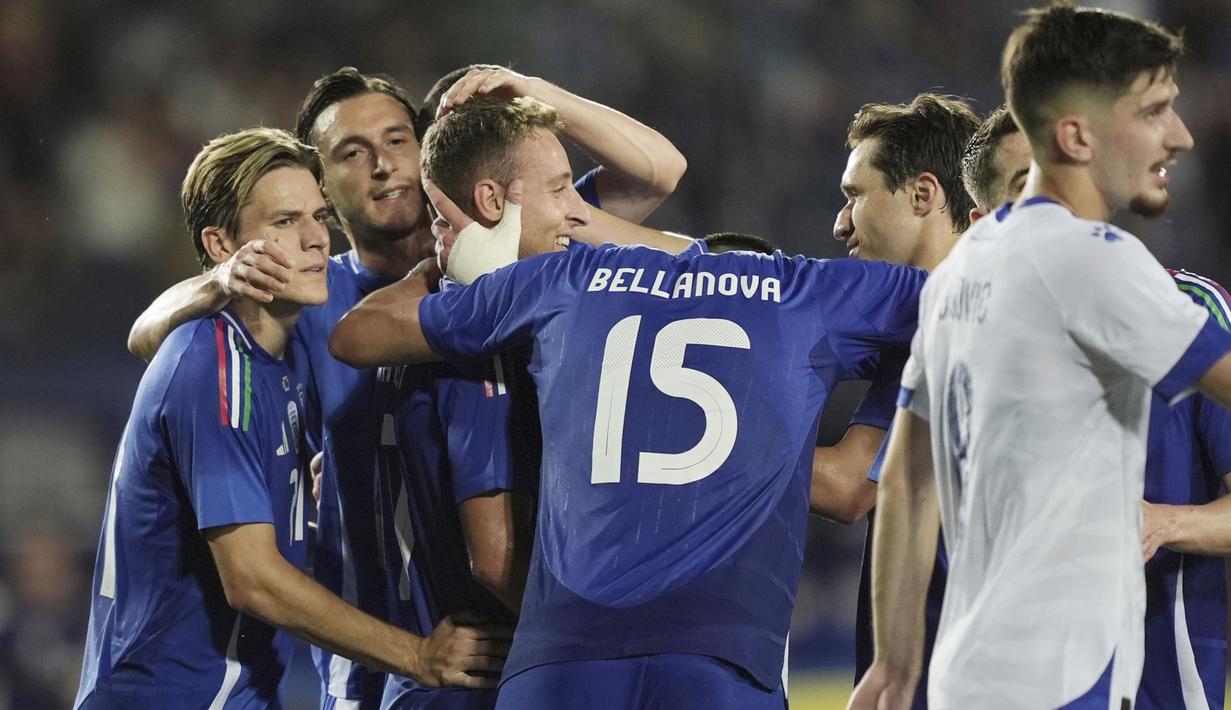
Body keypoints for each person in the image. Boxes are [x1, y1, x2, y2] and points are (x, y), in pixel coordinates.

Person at [327, 93, 928, 710]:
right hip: (717, 650)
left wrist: (464, 275)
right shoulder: (798, 291)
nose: (576, 212)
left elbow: (353, 335)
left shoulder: (560, 283)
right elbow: (950, 292)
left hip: (559, 654)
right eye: (562, 188)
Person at [126, 65, 691, 709]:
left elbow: (657, 172)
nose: (382, 165)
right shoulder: (308, 292)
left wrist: (538, 93)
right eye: (351, 152)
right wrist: (218, 280)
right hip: (379, 655)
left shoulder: (513, 244)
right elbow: (152, 338)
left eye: (397, 140)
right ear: (322, 185)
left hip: (516, 633)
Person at [851, 6, 1231, 709]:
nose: (1177, 136)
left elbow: (906, 479)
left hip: (967, 675)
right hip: (1066, 682)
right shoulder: (1097, 262)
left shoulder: (963, 272)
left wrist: (895, 665)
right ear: (1077, 134)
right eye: (1153, 112)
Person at [74, 128, 507, 709]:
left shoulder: (274, 366)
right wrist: (418, 656)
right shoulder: (214, 364)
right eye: (283, 222)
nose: (314, 239)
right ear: (221, 244)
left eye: (318, 217)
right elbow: (251, 579)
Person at [813, 93, 982, 710]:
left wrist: (705, 443)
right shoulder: (935, 314)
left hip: (950, 662)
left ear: (922, 194)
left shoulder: (958, 315)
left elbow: (852, 486)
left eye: (855, 194)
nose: (840, 223)